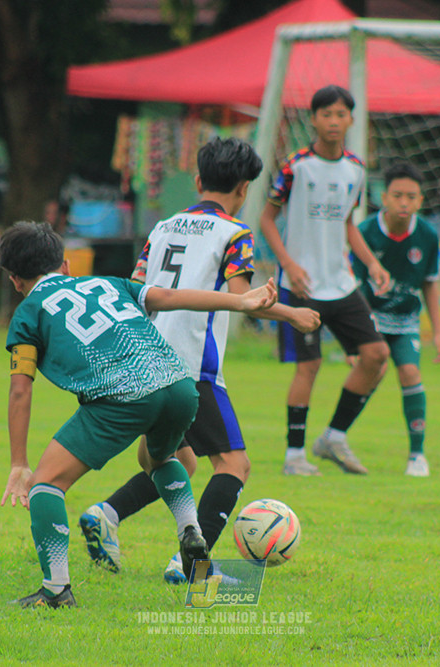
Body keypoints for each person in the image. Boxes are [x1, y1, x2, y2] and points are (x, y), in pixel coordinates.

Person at [0, 221, 280, 608]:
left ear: (15, 281)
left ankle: (56, 589)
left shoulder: (28, 313)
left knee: (45, 485)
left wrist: (18, 463)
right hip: (179, 385)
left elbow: (19, 388)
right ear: (65, 265)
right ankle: (190, 530)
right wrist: (241, 301)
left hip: (124, 396)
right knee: (158, 457)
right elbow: (170, 296)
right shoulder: (109, 283)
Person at [76, 137, 320, 583]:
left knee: (176, 462)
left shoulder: (164, 227)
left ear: (197, 180)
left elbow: (136, 290)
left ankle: (106, 513)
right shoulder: (234, 233)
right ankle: (191, 565)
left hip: (142, 361)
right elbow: (242, 299)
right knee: (234, 465)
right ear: (245, 189)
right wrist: (292, 313)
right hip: (192, 367)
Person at [260, 84, 391, 477]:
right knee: (310, 366)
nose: (334, 121)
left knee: (376, 355)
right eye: (326, 114)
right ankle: (294, 456)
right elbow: (267, 218)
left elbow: (347, 222)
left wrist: (371, 263)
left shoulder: (355, 169)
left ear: (351, 119)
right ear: (314, 119)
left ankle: (333, 436)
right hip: (301, 286)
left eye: (341, 114)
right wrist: (288, 265)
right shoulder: (295, 166)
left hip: (342, 283)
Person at [352, 162, 440, 478]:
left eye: (411, 196)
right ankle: (337, 437)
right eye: (397, 195)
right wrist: (352, 335)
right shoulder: (365, 232)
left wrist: (439, 333)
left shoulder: (427, 235)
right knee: (372, 374)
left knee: (409, 370)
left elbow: (430, 283)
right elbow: (352, 285)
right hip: (371, 320)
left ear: (421, 200)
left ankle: (417, 456)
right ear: (384, 197)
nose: (404, 202)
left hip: (406, 321)